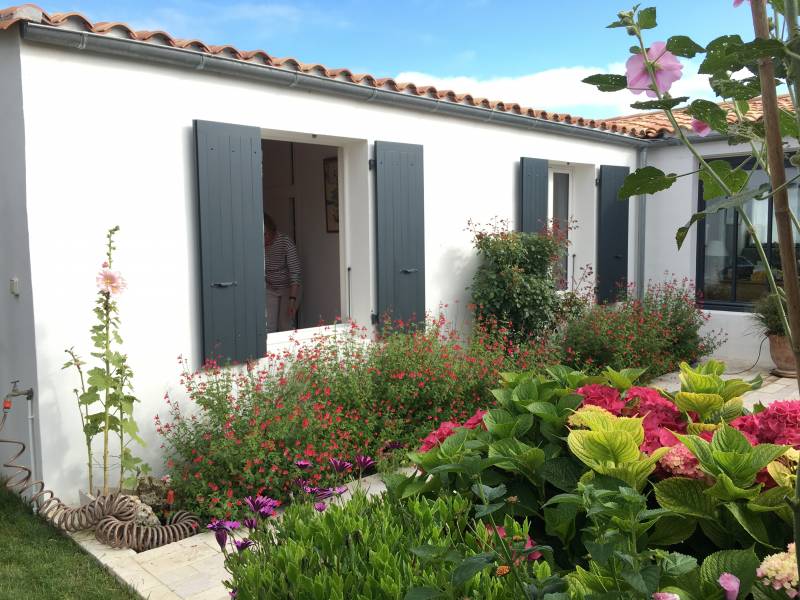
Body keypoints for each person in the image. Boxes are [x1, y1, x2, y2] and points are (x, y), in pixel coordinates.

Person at [264, 214, 301, 333]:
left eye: (265, 234)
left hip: (289, 288)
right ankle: (269, 352)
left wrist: (292, 299)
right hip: (270, 287)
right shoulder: (258, 244)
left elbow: (295, 273)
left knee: (285, 325)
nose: (263, 238)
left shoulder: (285, 242)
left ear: (272, 230)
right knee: (268, 326)